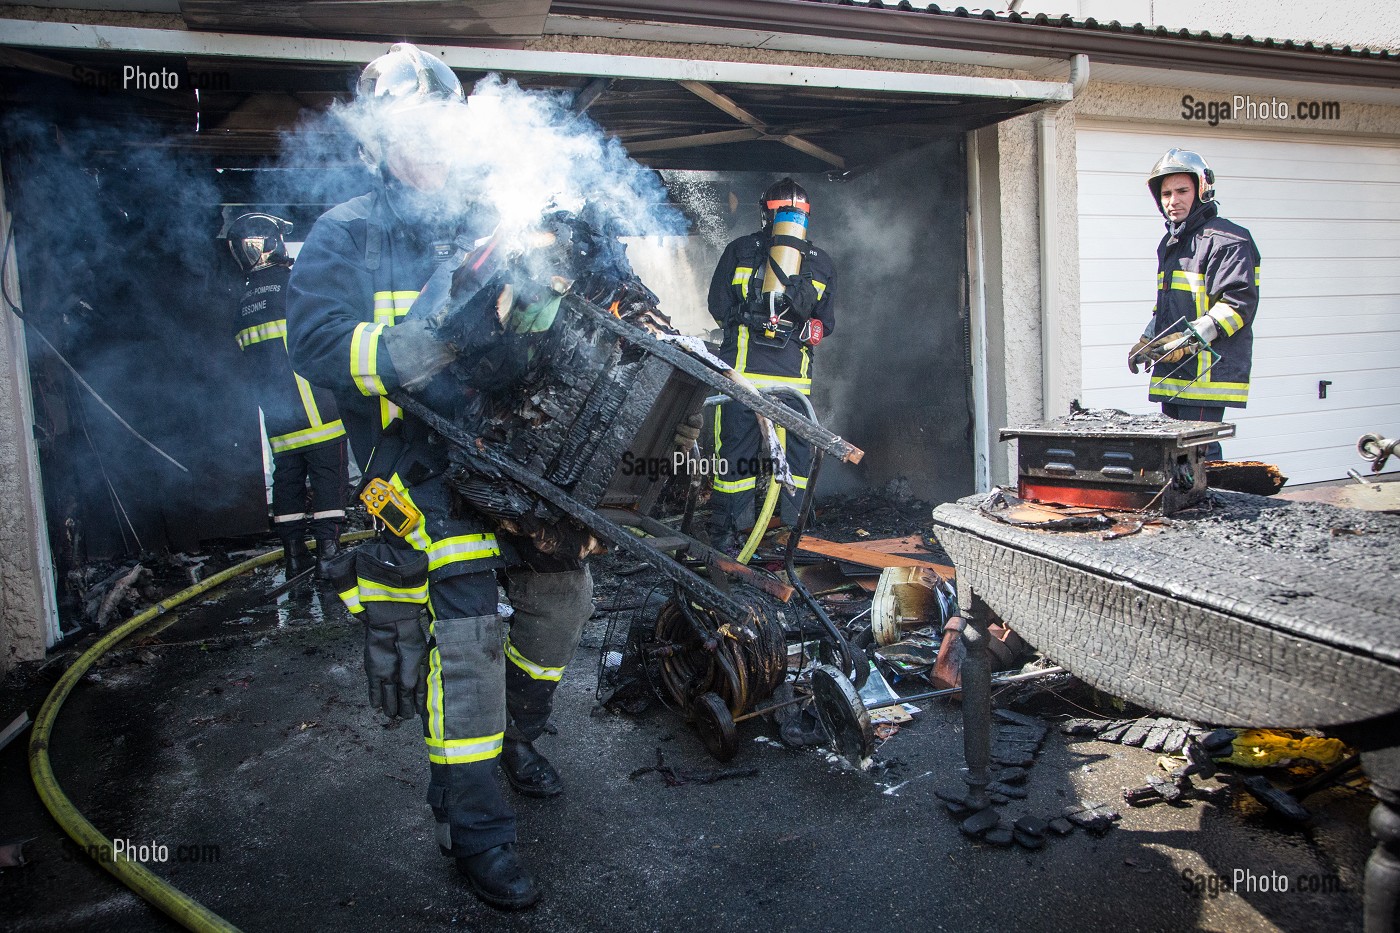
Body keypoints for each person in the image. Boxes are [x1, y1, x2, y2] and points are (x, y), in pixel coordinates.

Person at [285, 44, 593, 911]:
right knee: (464, 635)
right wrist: (390, 352)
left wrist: (539, 310)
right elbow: (308, 344)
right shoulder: (346, 232)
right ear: (376, 142)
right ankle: (476, 829)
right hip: (399, 476)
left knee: (565, 591)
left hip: (492, 459)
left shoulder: (483, 224)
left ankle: (513, 735)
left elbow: (528, 344)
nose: (424, 144)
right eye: (404, 130)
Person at [706, 178, 837, 553]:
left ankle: (730, 535)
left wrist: (745, 318)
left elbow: (717, 306)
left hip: (741, 376)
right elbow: (824, 324)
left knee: (735, 452)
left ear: (765, 212)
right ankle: (794, 536)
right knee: (797, 453)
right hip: (794, 382)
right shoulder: (822, 264)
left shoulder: (740, 250)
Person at [227, 212, 348, 578]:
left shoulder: (242, 304)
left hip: (279, 417)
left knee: (288, 480)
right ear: (269, 243)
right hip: (318, 410)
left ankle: (294, 556)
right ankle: (329, 557)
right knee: (329, 479)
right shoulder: (293, 286)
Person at [1129, 148, 1261, 460]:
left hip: (1206, 373)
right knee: (1174, 456)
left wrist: (1189, 341)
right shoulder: (1173, 243)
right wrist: (1149, 339)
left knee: (1198, 455)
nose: (1173, 201)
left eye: (1182, 191)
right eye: (1166, 193)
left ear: (1202, 189)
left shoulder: (1228, 240)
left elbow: (1238, 305)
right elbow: (1167, 303)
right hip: (1174, 369)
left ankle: (1214, 508)